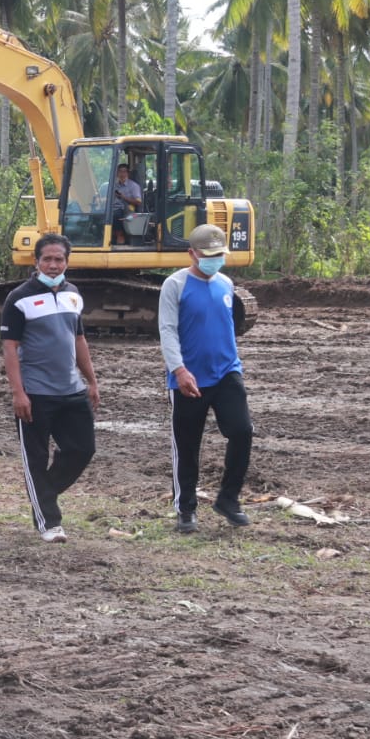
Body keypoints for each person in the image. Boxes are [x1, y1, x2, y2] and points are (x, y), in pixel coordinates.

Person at [0, 232, 99, 543]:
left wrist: (92, 381)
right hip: (35, 394)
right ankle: (49, 522)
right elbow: (10, 347)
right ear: (36, 261)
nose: (54, 265)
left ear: (67, 262)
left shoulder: (73, 295)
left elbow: (79, 339)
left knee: (83, 449)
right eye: (48, 259)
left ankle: (42, 492)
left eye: (59, 259)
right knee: (36, 458)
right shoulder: (19, 298)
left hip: (71, 390)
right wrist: (18, 392)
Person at [160, 223, 253, 532]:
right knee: (187, 446)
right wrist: (179, 369)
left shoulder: (226, 284)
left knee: (242, 431)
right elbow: (167, 330)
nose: (215, 259)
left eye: (219, 254)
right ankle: (185, 508)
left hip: (227, 372)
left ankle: (228, 498)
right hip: (188, 378)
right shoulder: (175, 285)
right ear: (192, 254)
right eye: (208, 255)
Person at [110, 163, 143, 242]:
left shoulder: (133, 186)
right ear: (117, 173)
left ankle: (120, 237)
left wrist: (123, 197)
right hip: (114, 208)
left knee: (116, 215)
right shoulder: (114, 185)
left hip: (128, 209)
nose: (122, 174)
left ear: (128, 173)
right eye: (120, 172)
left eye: (124, 172)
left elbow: (138, 202)